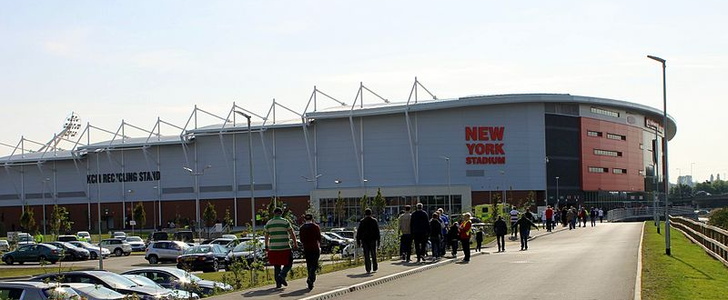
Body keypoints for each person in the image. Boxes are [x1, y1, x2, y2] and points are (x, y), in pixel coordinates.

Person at [264, 207, 298, 289]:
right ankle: (282, 275)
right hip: (285, 247)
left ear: (274, 213)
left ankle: (278, 284)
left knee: (277, 265)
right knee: (289, 263)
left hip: (273, 248)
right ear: (281, 213)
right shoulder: (285, 222)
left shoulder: (269, 223)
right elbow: (291, 233)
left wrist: (266, 246)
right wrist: (295, 243)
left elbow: (266, 236)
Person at [298, 213, 321, 290]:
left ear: (305, 219)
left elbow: (301, 239)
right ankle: (311, 277)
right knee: (314, 264)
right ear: (312, 219)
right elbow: (319, 237)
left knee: (309, 263)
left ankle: (310, 278)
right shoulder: (315, 227)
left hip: (306, 248)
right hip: (315, 247)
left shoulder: (302, 228)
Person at [356, 208, 381, 273]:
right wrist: (378, 241)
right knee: (373, 254)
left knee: (366, 255)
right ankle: (375, 267)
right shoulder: (374, 221)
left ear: (365, 214)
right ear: (371, 213)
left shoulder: (362, 221)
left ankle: (368, 268)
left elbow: (359, 232)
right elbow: (377, 231)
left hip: (365, 240)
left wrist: (358, 241)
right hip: (372, 239)